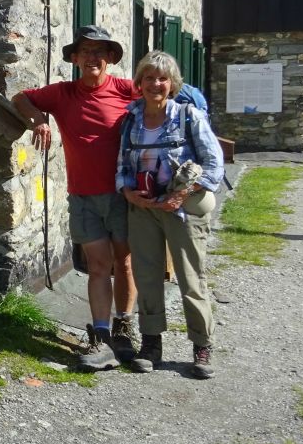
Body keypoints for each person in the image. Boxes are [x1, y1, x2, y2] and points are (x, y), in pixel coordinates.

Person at [12, 25, 138, 371]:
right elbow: (20, 97)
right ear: (75, 58)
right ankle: (101, 336)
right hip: (82, 196)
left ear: (110, 57)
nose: (92, 57)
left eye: (100, 51)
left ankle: (124, 327)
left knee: (123, 263)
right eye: (85, 51)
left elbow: (169, 96)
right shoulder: (62, 94)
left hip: (121, 194)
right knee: (98, 266)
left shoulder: (127, 90)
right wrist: (38, 119)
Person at [116, 50, 224, 379]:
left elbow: (214, 163)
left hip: (182, 208)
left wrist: (181, 194)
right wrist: (126, 191)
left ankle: (201, 346)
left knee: (191, 278)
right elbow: (122, 163)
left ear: (172, 83)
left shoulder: (188, 115)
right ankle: (151, 344)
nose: (156, 84)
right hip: (143, 209)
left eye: (162, 78)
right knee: (147, 276)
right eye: (149, 77)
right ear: (140, 83)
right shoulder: (131, 118)